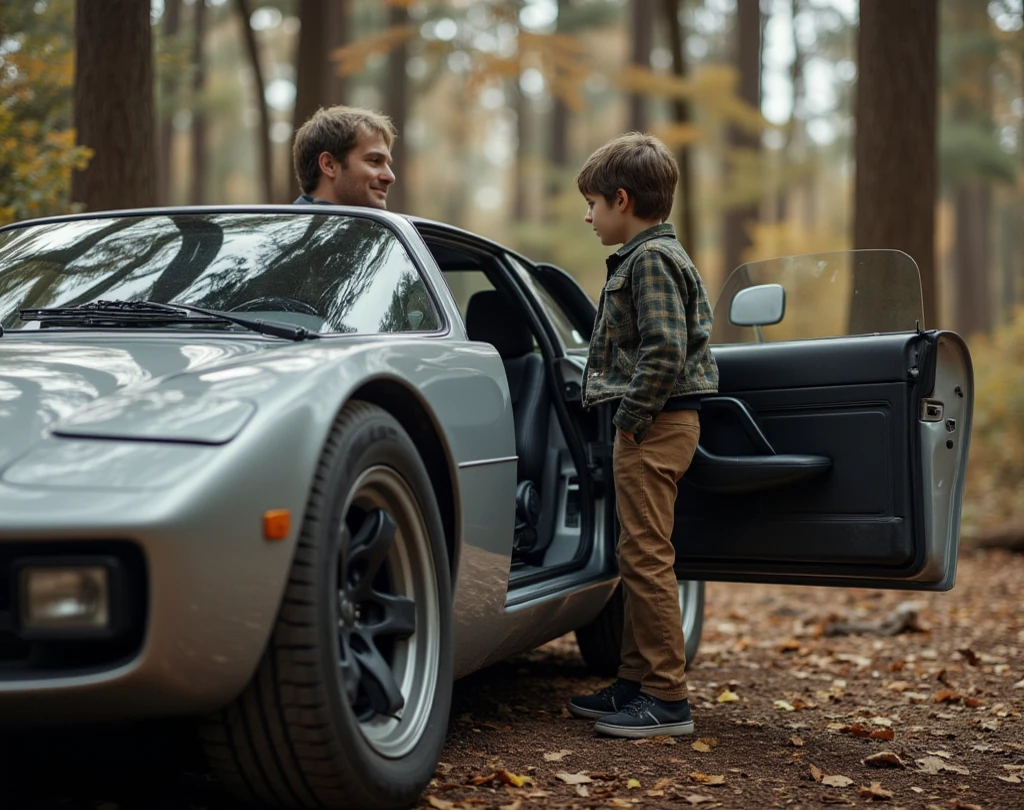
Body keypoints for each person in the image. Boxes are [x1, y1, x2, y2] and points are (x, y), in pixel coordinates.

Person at [567, 132, 719, 739]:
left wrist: (630, 420)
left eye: (594, 204)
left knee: (648, 557)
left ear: (622, 200)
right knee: (637, 553)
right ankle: (634, 682)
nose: (589, 215)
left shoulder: (649, 260)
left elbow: (664, 348)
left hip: (655, 425)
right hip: (656, 423)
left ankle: (666, 698)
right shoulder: (651, 256)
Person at [291, 105, 397, 208]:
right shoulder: (292, 225)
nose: (390, 177)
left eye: (387, 164)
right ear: (329, 165)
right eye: (375, 161)